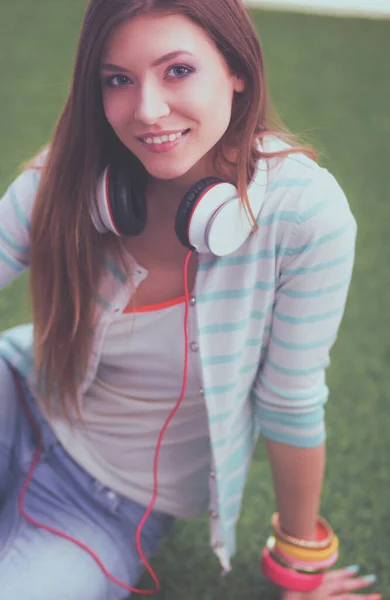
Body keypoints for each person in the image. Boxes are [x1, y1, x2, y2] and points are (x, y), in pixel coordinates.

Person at [0, 0, 381, 599]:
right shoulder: (76, 176)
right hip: (16, 395)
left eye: (177, 70)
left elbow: (292, 402)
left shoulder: (304, 216)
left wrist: (300, 568)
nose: (148, 110)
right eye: (118, 80)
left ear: (237, 70)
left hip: (107, 501)